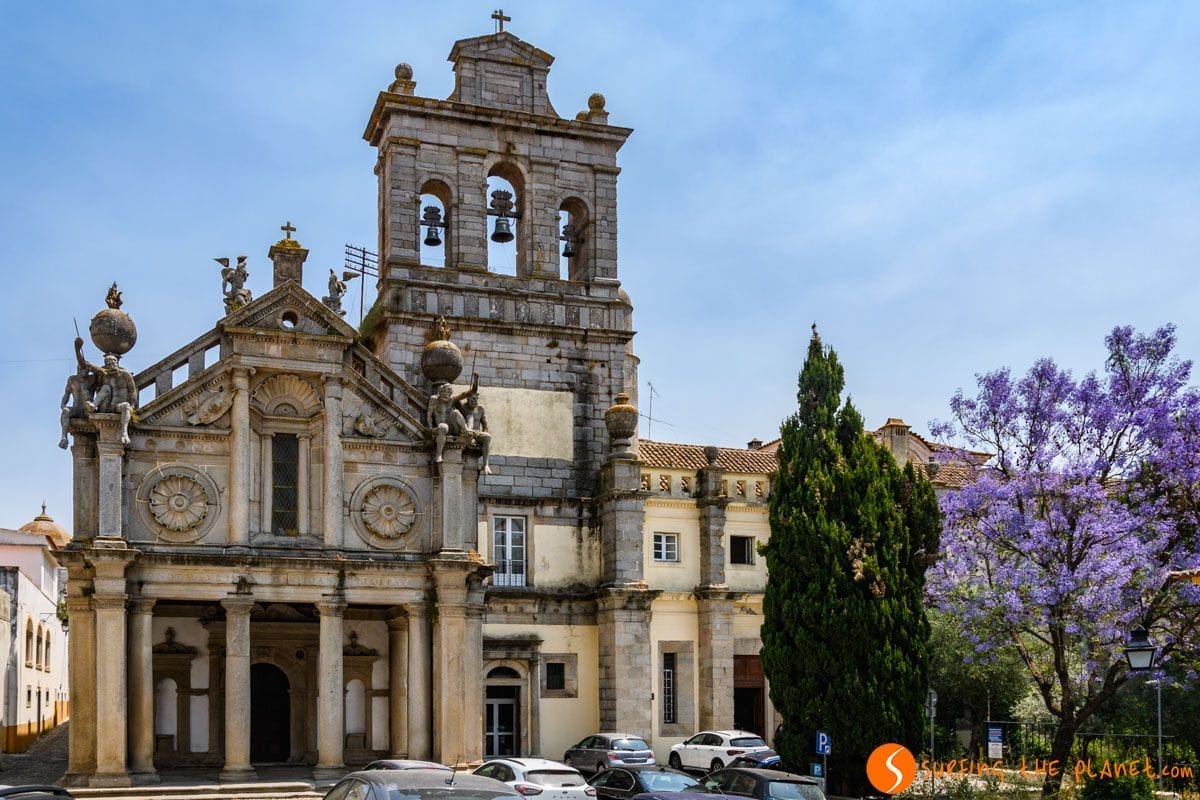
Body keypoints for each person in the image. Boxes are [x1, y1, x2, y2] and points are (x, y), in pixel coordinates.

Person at [58, 337, 97, 448]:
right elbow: (67, 394)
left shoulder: (92, 379)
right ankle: (63, 437)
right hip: (76, 408)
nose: (81, 371)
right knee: (65, 411)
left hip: (87, 409)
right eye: (80, 369)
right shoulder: (72, 379)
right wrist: (63, 404)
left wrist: (78, 351)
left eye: (84, 369)